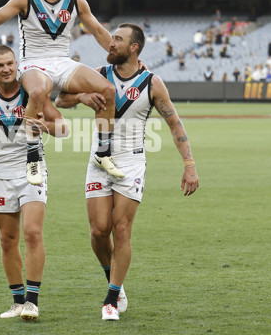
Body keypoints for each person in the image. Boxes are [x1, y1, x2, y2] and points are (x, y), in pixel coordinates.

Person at [55, 24, 199, 321]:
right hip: (99, 161)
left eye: (117, 40)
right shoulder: (98, 75)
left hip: (131, 164)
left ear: (134, 48)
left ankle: (111, 298)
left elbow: (174, 124)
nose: (111, 43)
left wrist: (189, 164)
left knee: (121, 230)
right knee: (98, 232)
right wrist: (82, 98)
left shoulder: (152, 83)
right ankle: (114, 279)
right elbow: (60, 99)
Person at [0, 0, 122, 185]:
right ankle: (32, 157)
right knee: (35, 92)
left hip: (63, 61)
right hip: (33, 62)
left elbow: (98, 32)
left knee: (108, 90)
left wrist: (121, 57)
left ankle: (102, 153)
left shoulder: (75, 0)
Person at [0, 45, 68, 321]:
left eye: (10, 63)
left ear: (16, 64)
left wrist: (46, 127)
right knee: (7, 240)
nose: (6, 69)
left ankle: (32, 301)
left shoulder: (33, 93)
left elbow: (63, 128)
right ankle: (17, 301)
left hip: (32, 168)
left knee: (32, 233)